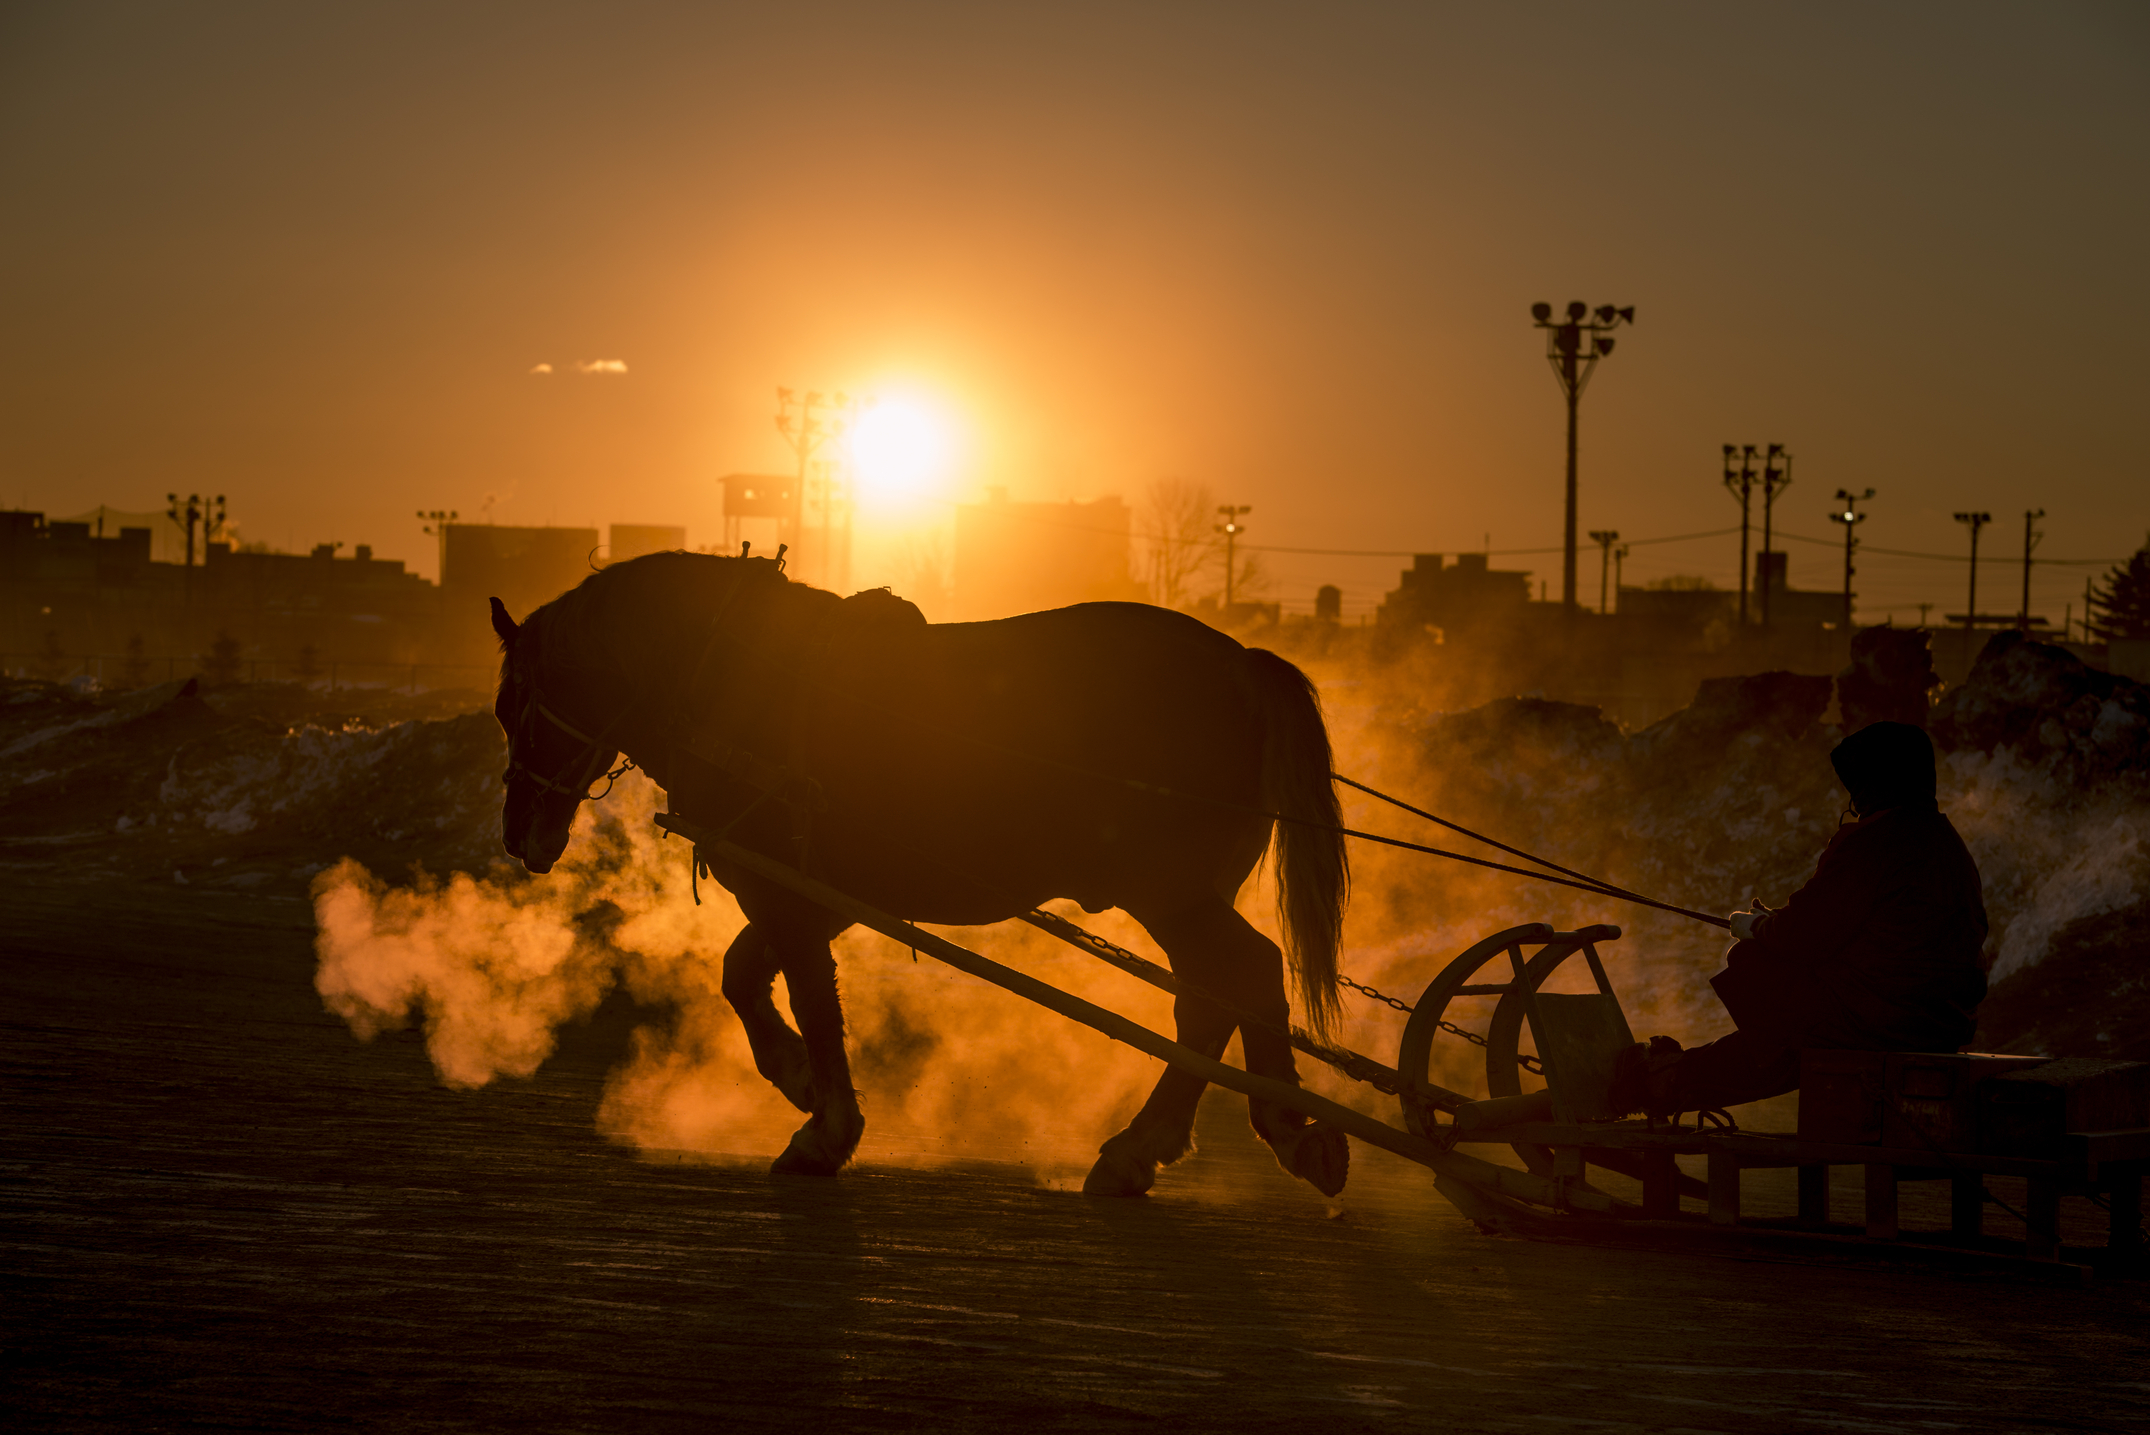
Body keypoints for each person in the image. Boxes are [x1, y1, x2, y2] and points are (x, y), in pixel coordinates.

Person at [1612, 720, 1989, 1118]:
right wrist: (1776, 924)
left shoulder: (1875, 841)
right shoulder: (1947, 843)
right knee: (1786, 1026)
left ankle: (1670, 1081)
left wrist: (1755, 927)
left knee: (1752, 965)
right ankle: (1682, 1074)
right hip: (1942, 1023)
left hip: (1877, 1021)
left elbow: (1804, 937)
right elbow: (1852, 929)